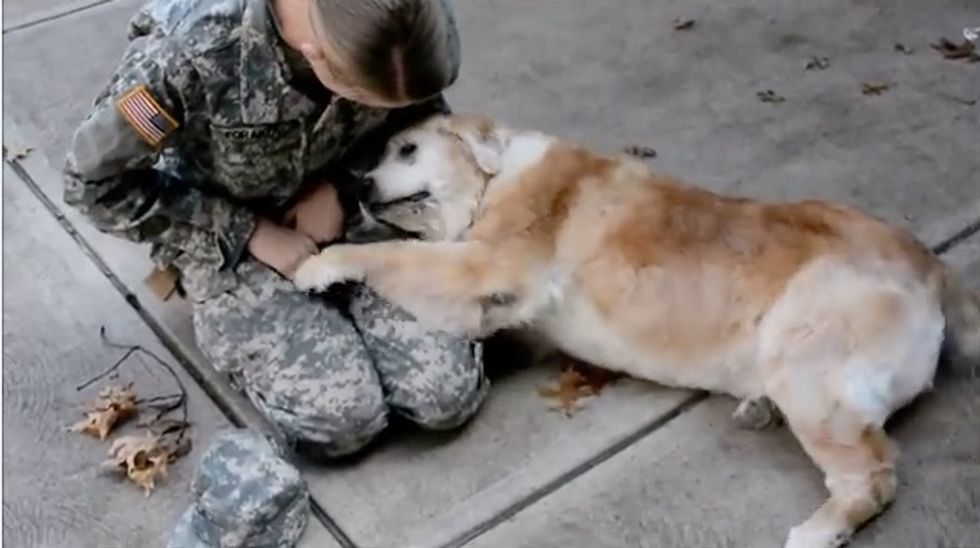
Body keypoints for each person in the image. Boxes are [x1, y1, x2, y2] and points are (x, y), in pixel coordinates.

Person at [63, 0, 488, 460]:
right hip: (228, 237)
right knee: (345, 422)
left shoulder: (407, 21)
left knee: (445, 396)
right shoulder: (186, 54)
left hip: (356, 203)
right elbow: (92, 184)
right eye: (364, 99)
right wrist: (248, 230)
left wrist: (341, 189)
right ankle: (224, 306)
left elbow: (421, 116)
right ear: (316, 55)